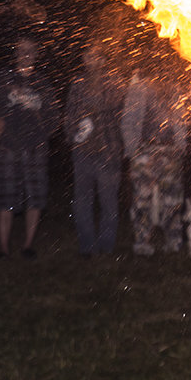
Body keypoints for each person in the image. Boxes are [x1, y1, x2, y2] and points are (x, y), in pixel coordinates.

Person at [0, 37, 58, 259]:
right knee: (6, 198)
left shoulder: (43, 83)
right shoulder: (2, 78)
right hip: (8, 147)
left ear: (36, 55)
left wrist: (41, 136)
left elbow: (55, 118)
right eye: (21, 50)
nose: (25, 54)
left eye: (30, 51)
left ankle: (27, 246)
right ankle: (3, 249)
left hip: (35, 149)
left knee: (35, 198)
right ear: (15, 53)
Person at [64, 43, 124, 256]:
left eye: (94, 57)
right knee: (82, 202)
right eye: (86, 57)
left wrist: (92, 104)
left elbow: (111, 103)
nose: (89, 61)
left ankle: (106, 248)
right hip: (82, 153)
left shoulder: (114, 81)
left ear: (103, 60)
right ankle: (87, 247)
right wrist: (73, 137)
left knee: (108, 203)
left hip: (108, 153)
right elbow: (70, 115)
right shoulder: (77, 83)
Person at [121, 66, 188, 255]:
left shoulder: (174, 89)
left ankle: (174, 241)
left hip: (169, 151)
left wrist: (180, 146)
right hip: (144, 150)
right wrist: (132, 150)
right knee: (142, 200)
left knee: (172, 199)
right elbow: (127, 120)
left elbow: (181, 118)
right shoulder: (137, 89)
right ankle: (142, 242)